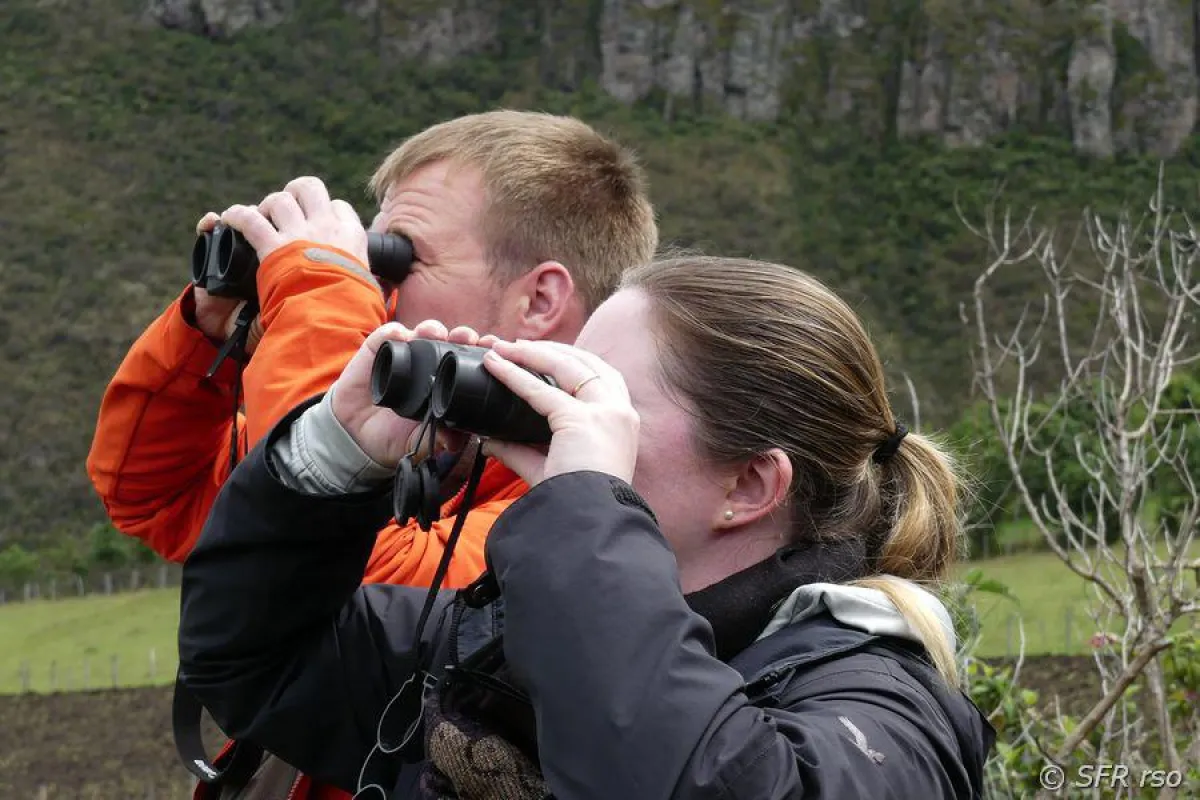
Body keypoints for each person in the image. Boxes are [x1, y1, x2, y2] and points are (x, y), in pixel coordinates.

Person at [176, 256, 996, 800]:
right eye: (571, 383)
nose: (566, 417)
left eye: (610, 405)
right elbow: (257, 663)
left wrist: (584, 514)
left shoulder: (883, 712)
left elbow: (688, 775)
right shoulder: (507, 640)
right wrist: (333, 457)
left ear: (748, 485)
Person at [85, 110, 658, 799]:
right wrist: (207, 331)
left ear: (539, 299)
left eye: (396, 257)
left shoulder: (599, 504)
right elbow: (156, 492)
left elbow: (358, 581)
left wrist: (320, 296)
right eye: (368, 255)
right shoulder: (429, 445)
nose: (373, 290)